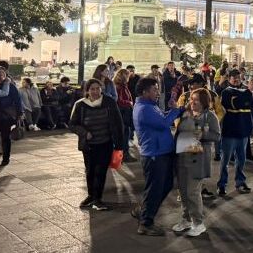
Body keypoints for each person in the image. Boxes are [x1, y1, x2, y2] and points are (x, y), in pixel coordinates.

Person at [132, 77, 184, 236]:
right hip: (155, 155)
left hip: (161, 152)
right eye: (155, 89)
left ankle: (143, 210)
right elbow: (163, 123)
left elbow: (162, 118)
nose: (158, 92)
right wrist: (176, 110)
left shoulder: (150, 106)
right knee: (155, 189)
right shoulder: (144, 109)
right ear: (144, 92)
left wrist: (176, 110)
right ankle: (146, 223)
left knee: (166, 185)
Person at [69, 78, 124, 211]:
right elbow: (72, 124)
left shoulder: (109, 102)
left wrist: (119, 145)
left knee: (101, 171)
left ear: (101, 89)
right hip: (88, 145)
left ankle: (97, 199)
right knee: (90, 171)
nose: (95, 91)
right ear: (87, 91)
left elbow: (118, 123)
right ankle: (90, 196)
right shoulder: (80, 105)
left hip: (105, 143)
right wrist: (84, 133)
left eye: (97, 88)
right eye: (92, 89)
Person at [173, 88, 220, 237]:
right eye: (191, 99)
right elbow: (178, 133)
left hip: (198, 160)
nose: (192, 102)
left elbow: (217, 136)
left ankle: (198, 223)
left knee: (192, 192)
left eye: (196, 100)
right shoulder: (186, 114)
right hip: (182, 156)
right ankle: (186, 219)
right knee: (182, 192)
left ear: (204, 102)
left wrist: (203, 134)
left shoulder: (210, 116)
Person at [216, 69, 253, 196]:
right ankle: (221, 184)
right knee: (225, 160)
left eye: (238, 77)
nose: (236, 79)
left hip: (243, 132)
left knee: (241, 159)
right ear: (229, 79)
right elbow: (236, 103)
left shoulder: (247, 91)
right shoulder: (226, 92)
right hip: (230, 132)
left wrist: (251, 93)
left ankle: (240, 182)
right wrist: (248, 93)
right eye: (234, 77)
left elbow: (252, 105)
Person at [113, 69, 136, 162]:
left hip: (125, 111)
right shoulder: (120, 86)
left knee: (125, 133)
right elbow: (119, 100)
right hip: (123, 112)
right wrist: (129, 103)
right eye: (127, 75)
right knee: (124, 133)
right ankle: (124, 155)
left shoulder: (123, 85)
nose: (128, 77)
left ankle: (123, 155)